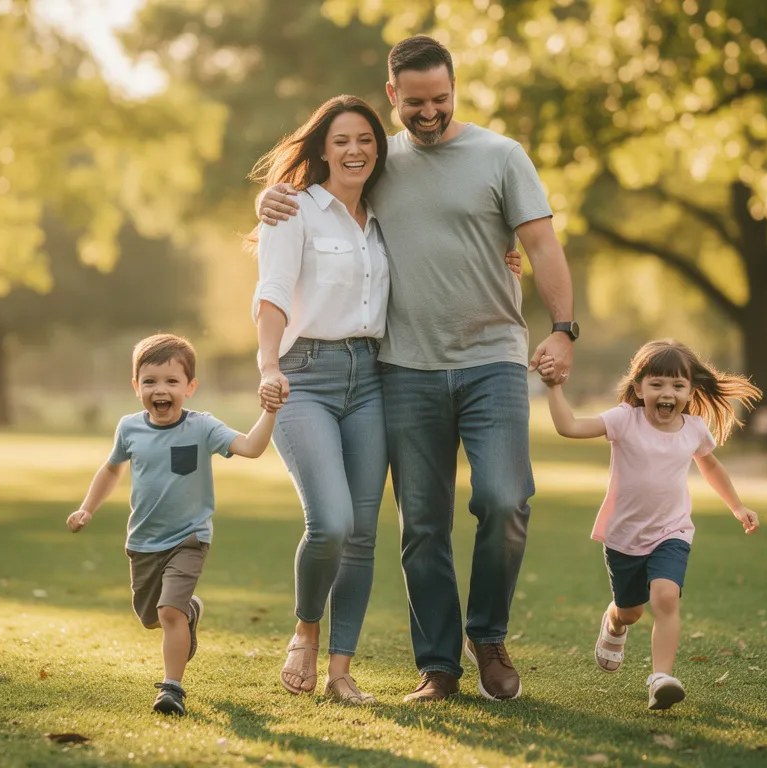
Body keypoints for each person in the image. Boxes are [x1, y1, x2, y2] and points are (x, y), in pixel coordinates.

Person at [259, 35, 577, 703]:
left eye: (441, 99)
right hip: (401, 369)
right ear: (392, 95)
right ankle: (438, 667)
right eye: (415, 102)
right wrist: (272, 200)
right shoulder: (378, 162)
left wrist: (565, 329)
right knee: (421, 525)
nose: (428, 113)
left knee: (503, 498)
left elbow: (542, 245)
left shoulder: (500, 155)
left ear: (454, 89)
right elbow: (318, 203)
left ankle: (486, 633)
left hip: (492, 360)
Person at [539, 339, 761, 710]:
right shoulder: (624, 420)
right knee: (632, 610)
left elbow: (711, 466)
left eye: (677, 385)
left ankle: (660, 678)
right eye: (657, 384)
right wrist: (554, 387)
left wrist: (737, 506)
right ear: (639, 388)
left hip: (671, 532)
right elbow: (570, 427)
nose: (667, 393)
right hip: (623, 537)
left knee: (665, 597)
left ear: (690, 391)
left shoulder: (693, 429)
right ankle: (614, 622)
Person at [66, 333, 278, 717]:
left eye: (171, 381)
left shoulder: (202, 428)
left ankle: (172, 688)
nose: (159, 389)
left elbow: (250, 447)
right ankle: (190, 611)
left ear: (190, 387)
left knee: (168, 614)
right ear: (136, 387)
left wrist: (271, 411)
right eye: (149, 381)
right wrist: (87, 509)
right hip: (144, 541)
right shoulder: (130, 428)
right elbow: (112, 469)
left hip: (189, 538)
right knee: (151, 617)